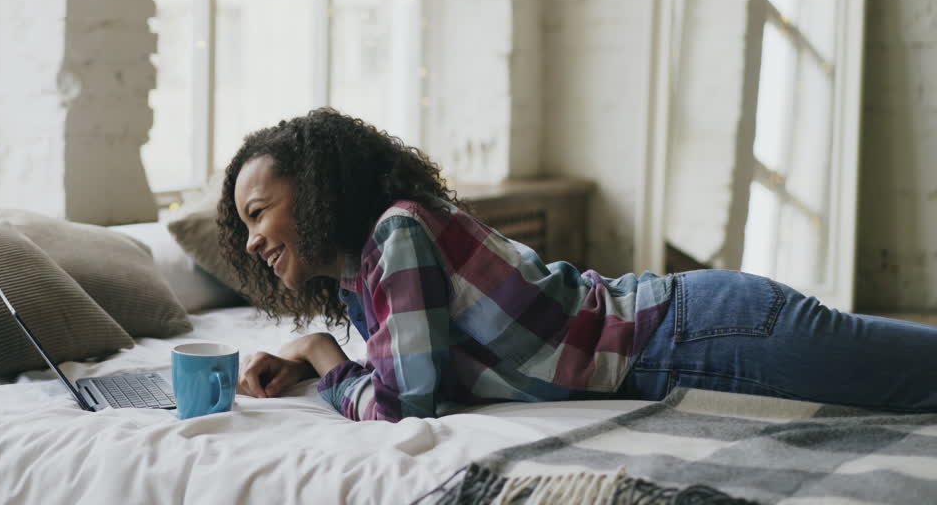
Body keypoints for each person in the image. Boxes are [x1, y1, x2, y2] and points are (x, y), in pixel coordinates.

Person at [216, 108, 937, 423]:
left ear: (311, 195)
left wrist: (318, 357)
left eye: (259, 213)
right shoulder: (361, 276)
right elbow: (411, 374)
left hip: (701, 334)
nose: (252, 241)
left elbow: (408, 405)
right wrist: (332, 358)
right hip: (689, 336)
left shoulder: (396, 235)